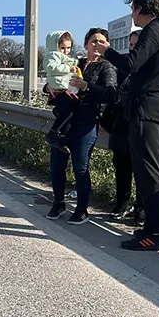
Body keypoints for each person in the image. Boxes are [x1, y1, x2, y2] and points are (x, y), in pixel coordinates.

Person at [96, 0, 159, 251]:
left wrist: (107, 52)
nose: (132, 15)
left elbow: (131, 64)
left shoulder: (154, 29)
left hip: (146, 111)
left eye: (133, 10)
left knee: (149, 173)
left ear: (140, 8)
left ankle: (154, 233)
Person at [45, 28, 117, 225]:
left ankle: (82, 209)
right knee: (57, 164)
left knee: (80, 167)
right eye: (93, 41)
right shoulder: (74, 62)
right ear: (85, 44)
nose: (97, 45)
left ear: (107, 45)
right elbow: (54, 78)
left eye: (101, 42)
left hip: (86, 123)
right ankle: (58, 202)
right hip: (65, 122)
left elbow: (111, 94)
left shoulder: (106, 67)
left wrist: (86, 86)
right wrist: (48, 87)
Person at [105, 30, 144, 223]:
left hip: (141, 124)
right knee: (121, 167)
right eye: (131, 45)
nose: (133, 49)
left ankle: (141, 208)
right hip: (121, 124)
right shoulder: (123, 67)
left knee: (142, 170)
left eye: (137, 45)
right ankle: (122, 203)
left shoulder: (150, 67)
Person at [43, 31, 81, 152]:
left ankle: (61, 137)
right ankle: (53, 133)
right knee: (69, 110)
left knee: (70, 111)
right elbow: (51, 68)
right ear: (55, 46)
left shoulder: (69, 57)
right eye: (62, 48)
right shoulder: (52, 55)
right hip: (58, 88)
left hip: (65, 87)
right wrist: (68, 68)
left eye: (68, 48)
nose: (66, 51)